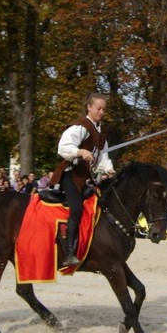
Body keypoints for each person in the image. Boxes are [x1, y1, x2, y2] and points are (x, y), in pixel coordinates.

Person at [49, 92, 115, 267]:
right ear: (89, 107)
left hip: (86, 178)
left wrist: (108, 168)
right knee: (77, 208)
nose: (101, 112)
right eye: (98, 108)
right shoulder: (81, 127)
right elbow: (63, 147)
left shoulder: (101, 133)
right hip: (70, 175)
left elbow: (102, 157)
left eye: (103, 109)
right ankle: (69, 252)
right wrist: (80, 152)